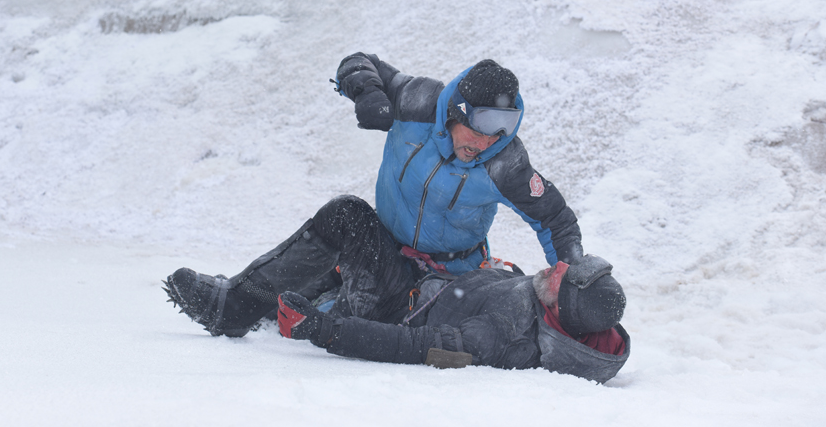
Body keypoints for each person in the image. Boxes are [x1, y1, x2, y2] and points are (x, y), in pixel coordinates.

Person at [164, 55, 585, 337]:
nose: (487, 140)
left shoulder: (505, 162)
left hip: (438, 287)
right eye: (480, 125)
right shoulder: (418, 102)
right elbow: (358, 62)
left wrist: (575, 282)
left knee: (339, 273)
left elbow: (556, 221)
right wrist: (366, 91)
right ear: (456, 109)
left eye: (503, 127)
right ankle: (241, 301)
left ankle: (258, 308)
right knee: (339, 232)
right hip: (382, 253)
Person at [276, 255, 629, 384]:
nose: (558, 265)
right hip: (432, 280)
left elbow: (415, 347)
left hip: (396, 308)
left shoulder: (500, 335)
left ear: (564, 302)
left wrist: (324, 331)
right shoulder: (564, 311)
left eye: (561, 275)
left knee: (348, 216)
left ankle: (240, 304)